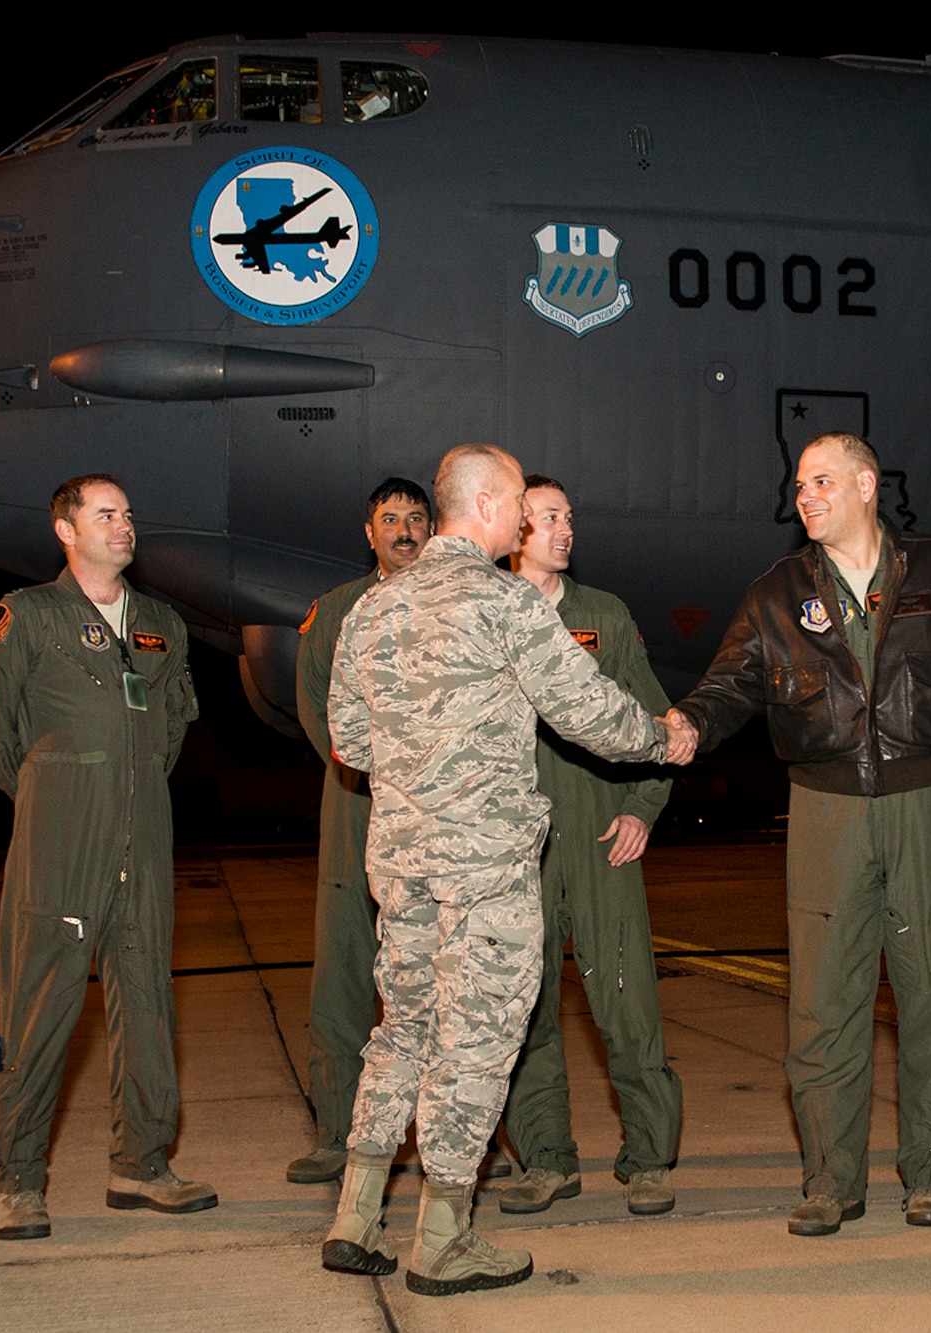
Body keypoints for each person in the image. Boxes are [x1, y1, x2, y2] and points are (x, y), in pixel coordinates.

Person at [318, 445, 695, 1296]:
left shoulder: (372, 609)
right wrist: (659, 738)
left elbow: (349, 739)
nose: (528, 520)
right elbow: (584, 708)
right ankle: (444, 1238)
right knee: (476, 1041)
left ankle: (355, 1215)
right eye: (521, 505)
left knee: (403, 1029)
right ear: (485, 505)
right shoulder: (505, 601)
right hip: (484, 866)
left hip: (402, 861)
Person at [669, 432, 931, 1237]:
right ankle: (831, 1181)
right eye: (800, 484)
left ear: (868, 485)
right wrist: (689, 722)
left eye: (823, 480)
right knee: (824, 1001)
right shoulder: (776, 592)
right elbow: (730, 682)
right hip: (827, 810)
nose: (806, 495)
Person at [0, 474, 216, 1242]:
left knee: (146, 1001)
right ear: (66, 529)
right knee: (42, 1006)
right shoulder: (26, 616)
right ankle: (21, 1178)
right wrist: (54, 789)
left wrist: (130, 787)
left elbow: (172, 725)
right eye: (107, 514)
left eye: (129, 514)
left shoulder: (162, 623)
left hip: (146, 835)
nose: (125, 525)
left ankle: (141, 1164)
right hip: (62, 840)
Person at [496, 476, 683, 1218]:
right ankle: (546, 1159)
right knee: (524, 1010)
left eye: (569, 515)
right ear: (514, 530)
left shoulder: (604, 614)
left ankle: (649, 1157)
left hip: (602, 836)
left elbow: (656, 718)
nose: (565, 528)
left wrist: (643, 805)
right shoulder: (490, 616)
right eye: (548, 517)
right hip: (518, 850)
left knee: (628, 1003)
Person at [285, 477, 434, 1185]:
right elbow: (316, 708)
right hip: (356, 808)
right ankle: (335, 1131)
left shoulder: (456, 604)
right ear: (367, 531)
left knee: (442, 980)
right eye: (389, 519)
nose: (403, 530)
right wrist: (377, 774)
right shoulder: (337, 611)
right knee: (343, 973)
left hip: (439, 821)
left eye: (415, 517)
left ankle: (449, 1135)